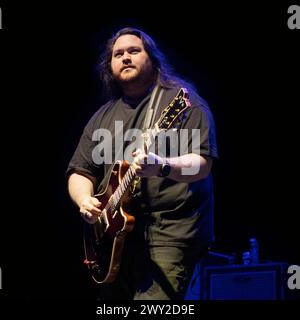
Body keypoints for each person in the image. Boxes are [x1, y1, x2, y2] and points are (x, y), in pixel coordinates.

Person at [66, 27, 218, 300]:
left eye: (134, 51)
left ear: (153, 59)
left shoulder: (183, 103)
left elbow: (202, 164)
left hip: (169, 234)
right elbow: (80, 170)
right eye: (118, 54)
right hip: (115, 241)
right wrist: (84, 200)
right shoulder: (103, 116)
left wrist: (162, 165)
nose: (125, 57)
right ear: (109, 66)